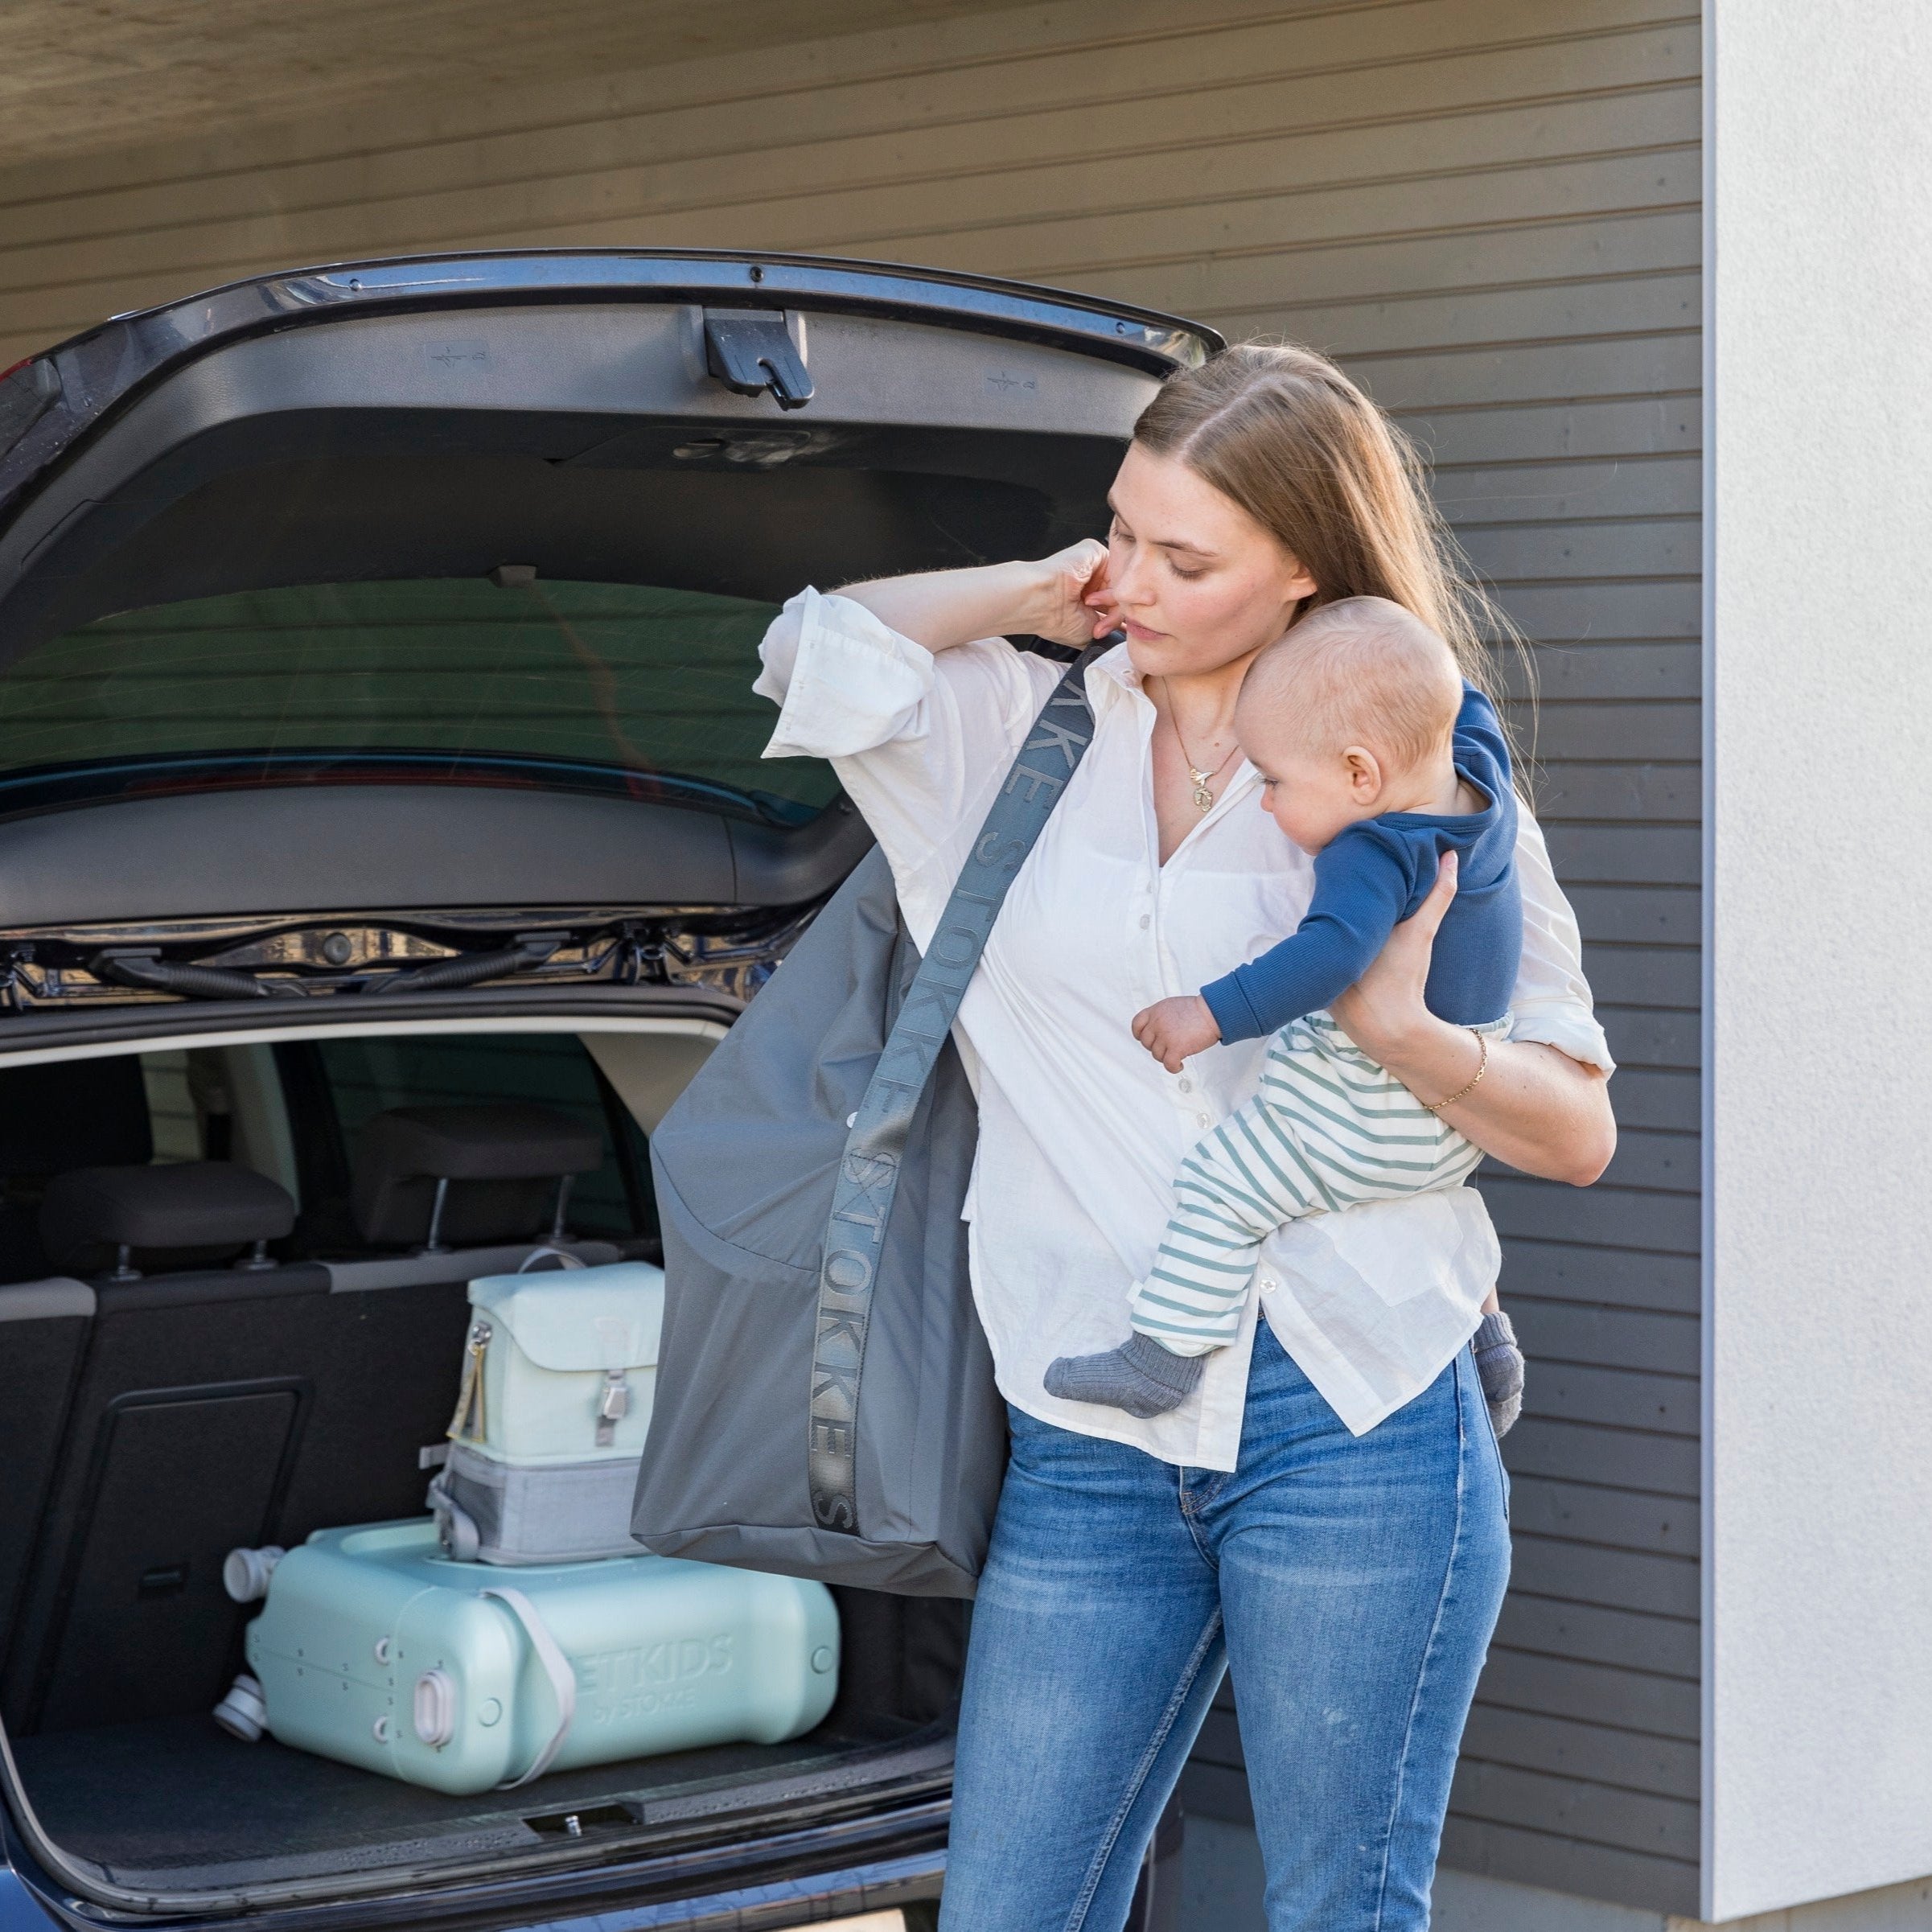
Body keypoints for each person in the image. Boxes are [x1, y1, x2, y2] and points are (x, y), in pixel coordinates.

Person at [753, 342, 1614, 1931]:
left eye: (1186, 556)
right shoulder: (1000, 732)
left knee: (1340, 1914)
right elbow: (813, 654)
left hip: (1352, 1404)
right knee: (1014, 1910)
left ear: (1301, 564)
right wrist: (1026, 586)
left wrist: (1410, 1036)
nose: (1133, 580)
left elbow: (1574, 1127)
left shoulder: (1408, 771)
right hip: (1091, 1425)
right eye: (1121, 530)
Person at [1044, 595, 1527, 1426]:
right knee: (1424, 1191)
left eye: (1273, 780)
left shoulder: (1369, 850)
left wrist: (1207, 1012)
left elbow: (1327, 956)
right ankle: (1486, 1342)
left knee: (1224, 1181)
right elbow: (1459, 702)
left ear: (1358, 775)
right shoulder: (1479, 771)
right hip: (1458, 1094)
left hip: (1371, 1099)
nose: (1263, 802)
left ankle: (1162, 1355)